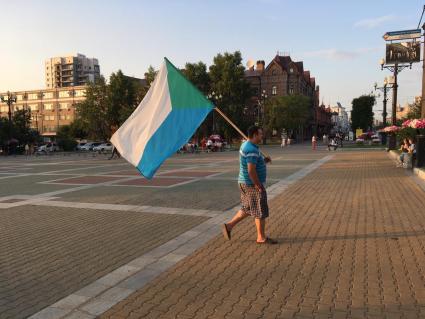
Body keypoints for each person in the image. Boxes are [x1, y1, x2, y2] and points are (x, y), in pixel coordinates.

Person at [222, 126, 276, 244]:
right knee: (260, 210)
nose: (262, 136)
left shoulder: (246, 145)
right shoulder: (251, 149)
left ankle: (229, 226)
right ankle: (261, 237)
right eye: (261, 134)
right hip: (251, 184)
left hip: (244, 182)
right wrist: (258, 185)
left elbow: (253, 163)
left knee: (248, 208)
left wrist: (263, 160)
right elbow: (251, 170)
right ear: (255, 135)